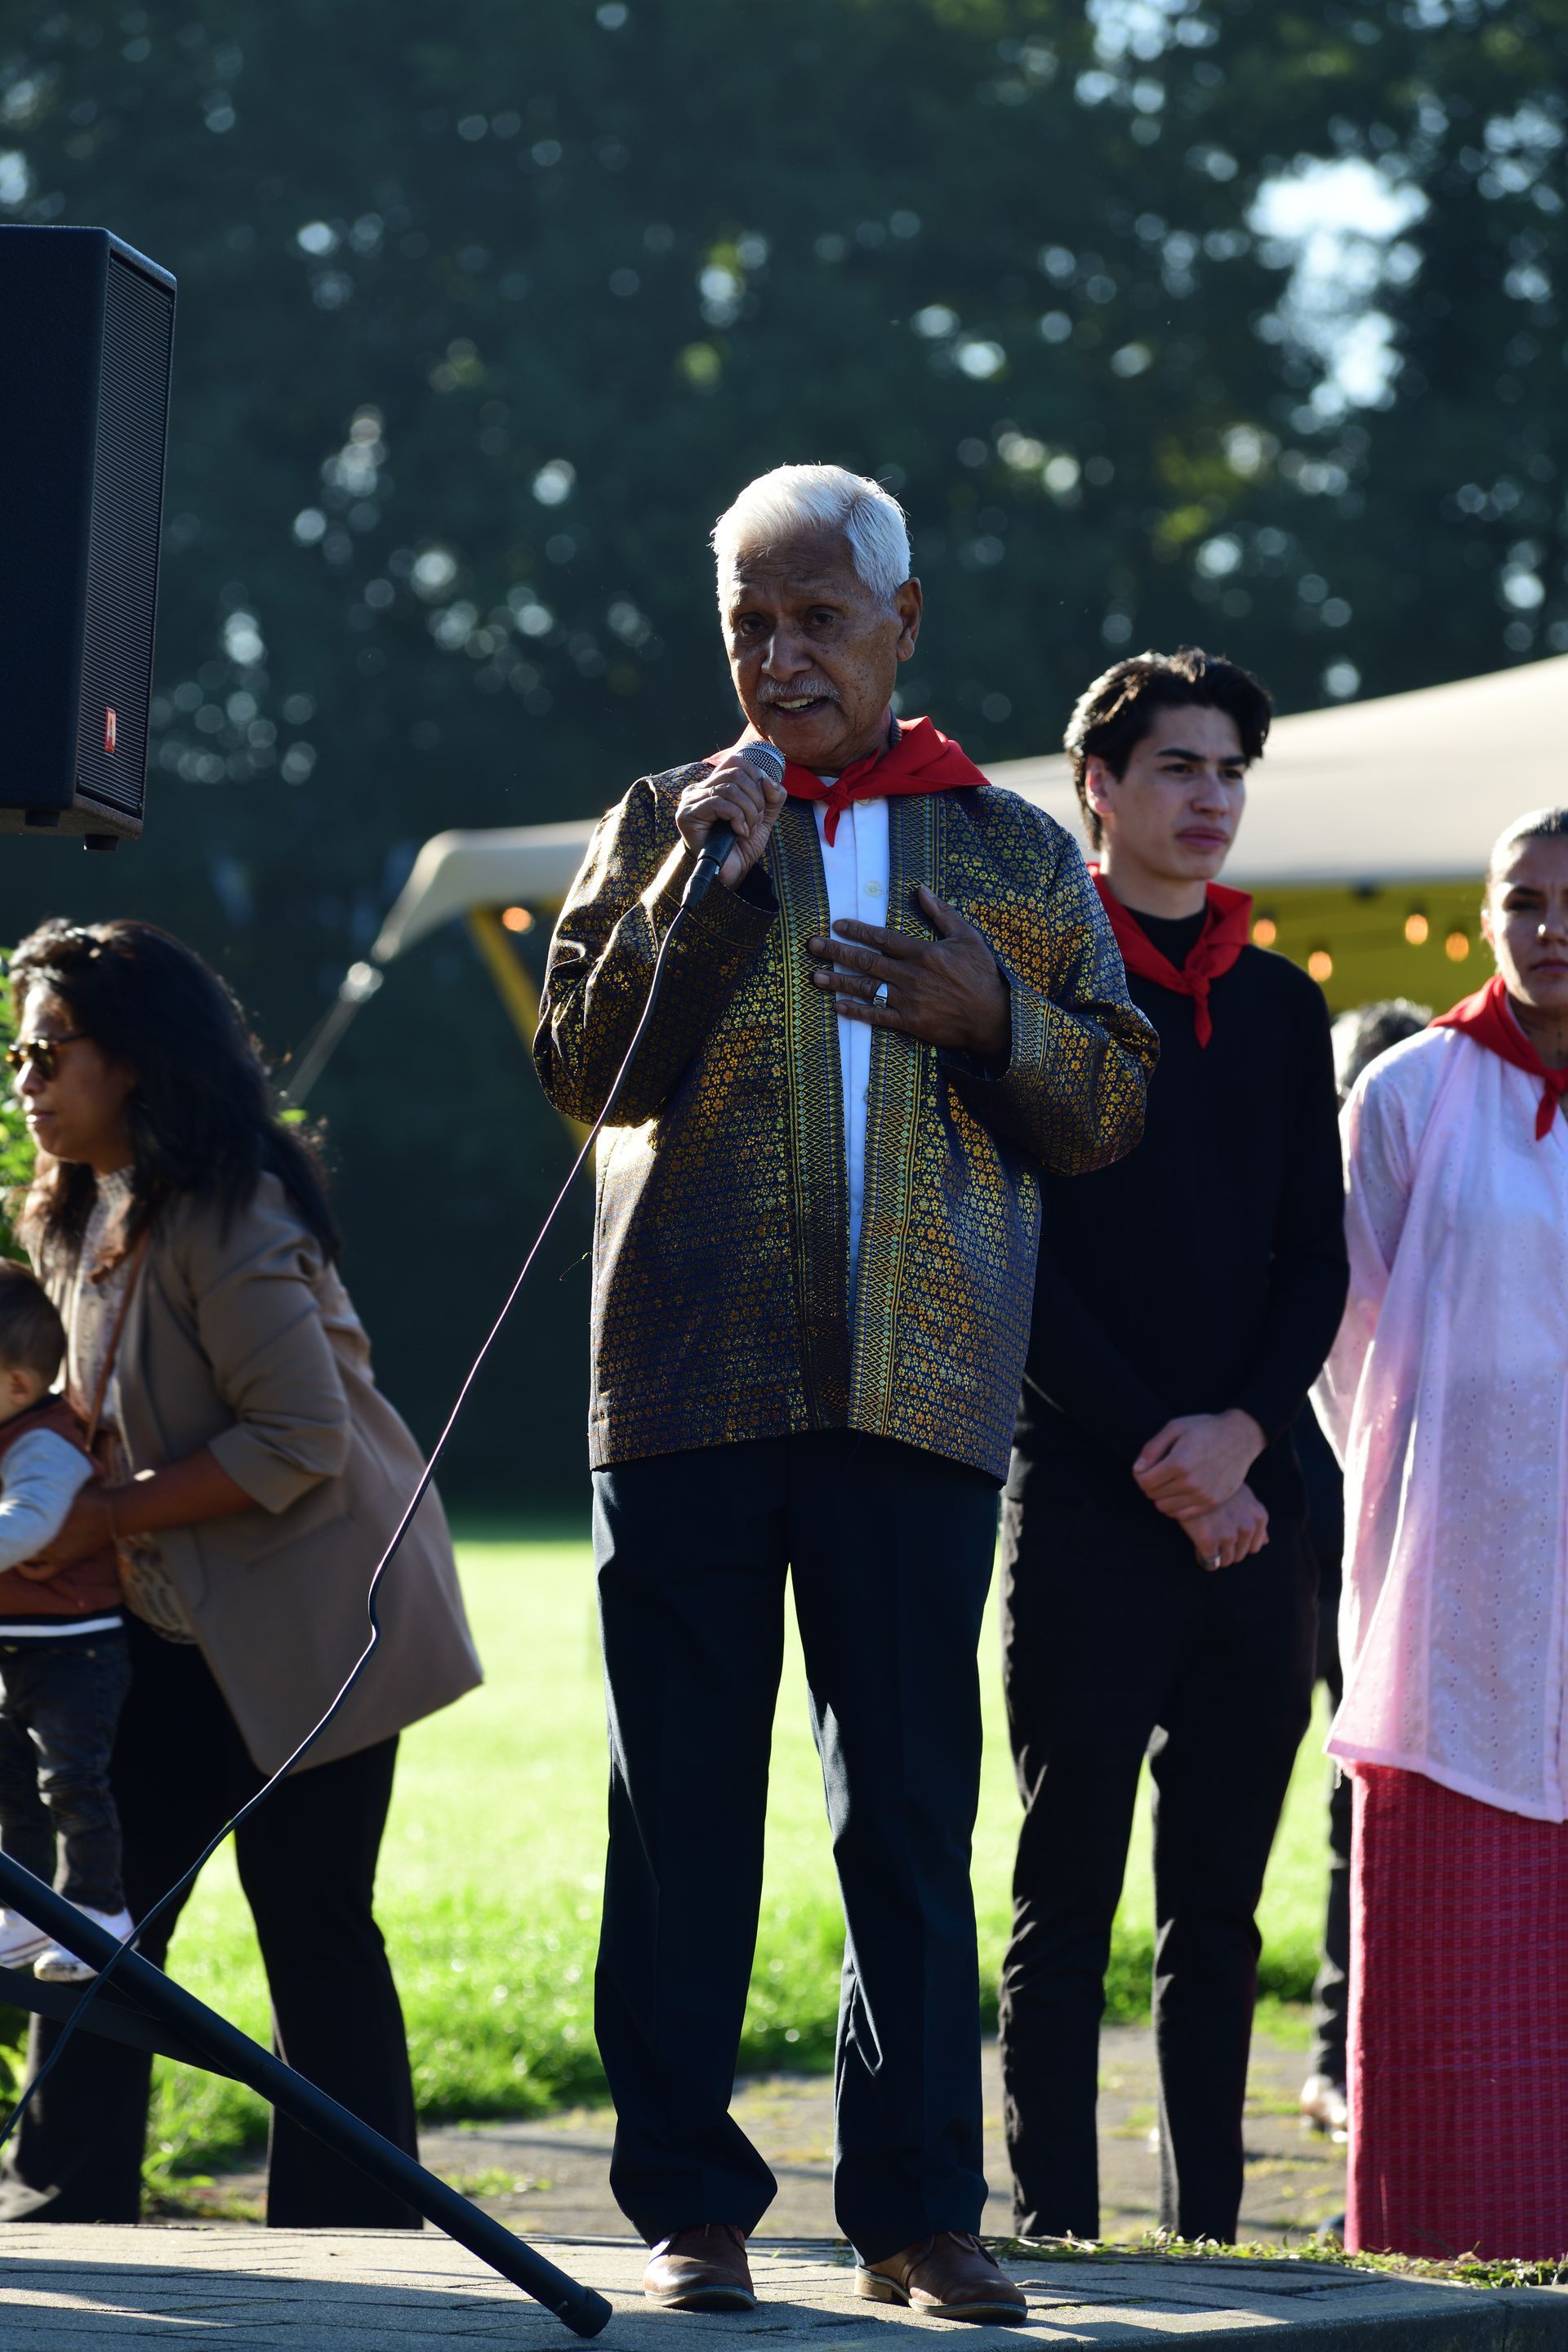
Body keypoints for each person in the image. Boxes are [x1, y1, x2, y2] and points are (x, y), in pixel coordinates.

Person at [534, 465, 1156, 2319]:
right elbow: (585, 1064)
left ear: (904, 624)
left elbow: (1113, 1097)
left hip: (924, 1392)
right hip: (684, 1389)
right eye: (750, 618)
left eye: (818, 615)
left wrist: (1000, 1021)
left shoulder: (1012, 847)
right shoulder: (662, 816)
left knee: (905, 1801)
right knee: (684, 1806)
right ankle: (688, 2206)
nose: (781, 652)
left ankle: (913, 2211)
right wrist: (700, 888)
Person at [0, 919, 482, 2228]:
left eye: (50, 1056)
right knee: (91, 1918)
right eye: (19, 1055)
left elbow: (302, 1436)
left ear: (139, 1065)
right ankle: (65, 2200)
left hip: (319, 1625)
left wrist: (99, 1518)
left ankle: (361, 2235)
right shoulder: (73, 1208)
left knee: (313, 1924)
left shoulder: (230, 1210)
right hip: (160, 1624)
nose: (25, 1084)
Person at [1000, 648, 1348, 2247]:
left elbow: (1315, 1262)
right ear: (1103, 787)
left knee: (1219, 1911)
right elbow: (1025, 1261)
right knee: (1064, 1900)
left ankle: (1217, 2240)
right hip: (1083, 1498)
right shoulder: (1040, 983)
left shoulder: (1283, 1008)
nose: (1210, 800)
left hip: (1253, 1516)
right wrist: (1161, 1448)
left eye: (1230, 774)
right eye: (1178, 769)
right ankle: (1059, 2239)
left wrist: (1244, 1440)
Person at [1316, 812, 1568, 2262]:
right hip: (1456, 1553)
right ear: (1484, 916)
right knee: (1454, 1907)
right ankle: (1445, 2225)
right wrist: (1429, 1481)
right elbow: (1349, 1329)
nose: (1548, 927)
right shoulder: (1410, 1094)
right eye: (1521, 902)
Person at [1295, 1000, 1428, 2145]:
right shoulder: (1298, 1206)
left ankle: (1347, 2051)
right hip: (1271, 1512)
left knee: (1368, 1792)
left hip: (1389, 1526)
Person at [0, 1261, 134, 1980]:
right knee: (14, 1784)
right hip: (21, 1651)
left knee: (72, 1782)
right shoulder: (9, 1427)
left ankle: (97, 1912)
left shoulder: (43, 1444)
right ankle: (23, 1915)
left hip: (73, 1654)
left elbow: (30, 1524)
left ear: (18, 1385)